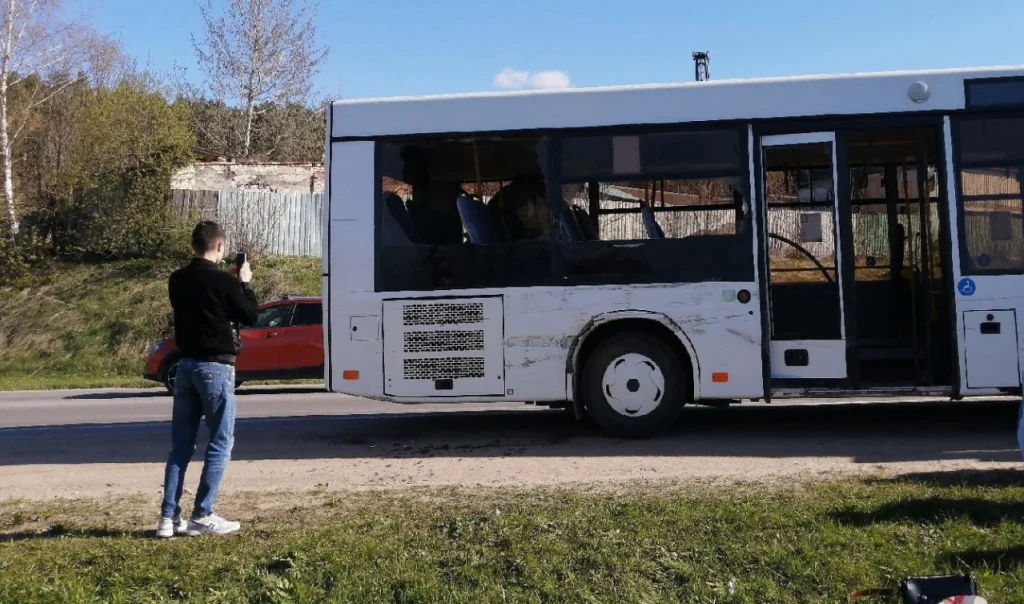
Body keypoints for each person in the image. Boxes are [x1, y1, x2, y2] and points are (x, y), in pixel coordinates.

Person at [156, 221, 259, 538]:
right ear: (220, 246)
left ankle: (168, 518)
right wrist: (244, 284)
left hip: (185, 366)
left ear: (194, 245)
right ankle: (202, 514)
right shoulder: (224, 281)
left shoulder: (177, 279)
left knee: (181, 446)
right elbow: (250, 314)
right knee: (220, 442)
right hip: (216, 366)